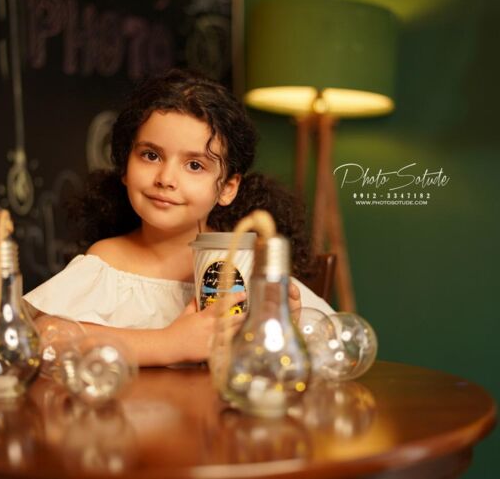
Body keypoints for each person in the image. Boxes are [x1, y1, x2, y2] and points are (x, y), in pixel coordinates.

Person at [24, 69, 333, 366]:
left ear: (227, 187)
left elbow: (332, 342)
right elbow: (45, 338)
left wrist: (284, 331)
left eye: (195, 165)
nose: (166, 178)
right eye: (151, 155)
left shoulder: (245, 263)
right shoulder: (108, 263)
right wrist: (170, 343)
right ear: (124, 167)